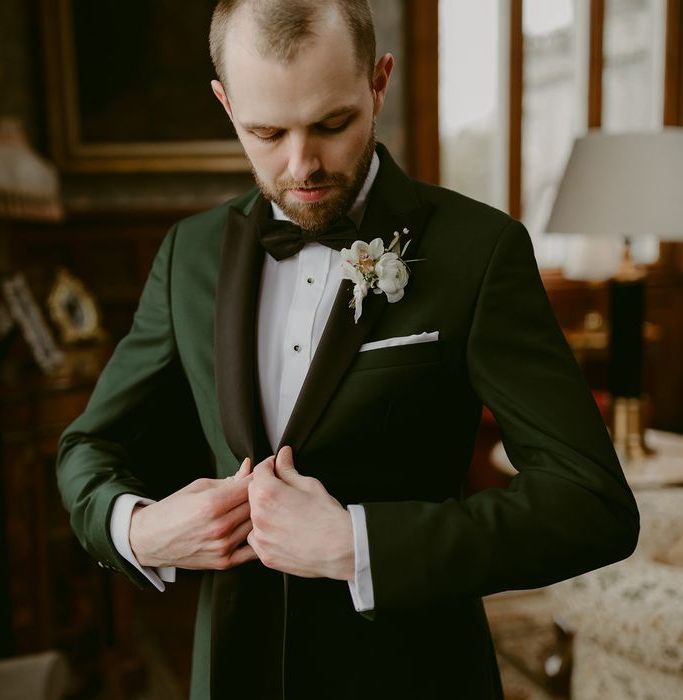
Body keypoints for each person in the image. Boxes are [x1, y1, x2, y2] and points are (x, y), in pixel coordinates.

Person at [57, 1, 639, 698]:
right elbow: (87, 449)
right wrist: (139, 530)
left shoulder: (478, 252)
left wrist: (361, 545)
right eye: (266, 131)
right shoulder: (189, 255)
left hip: (414, 676)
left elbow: (592, 505)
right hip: (233, 675)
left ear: (379, 82)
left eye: (332, 124)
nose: (302, 164)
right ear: (224, 101)